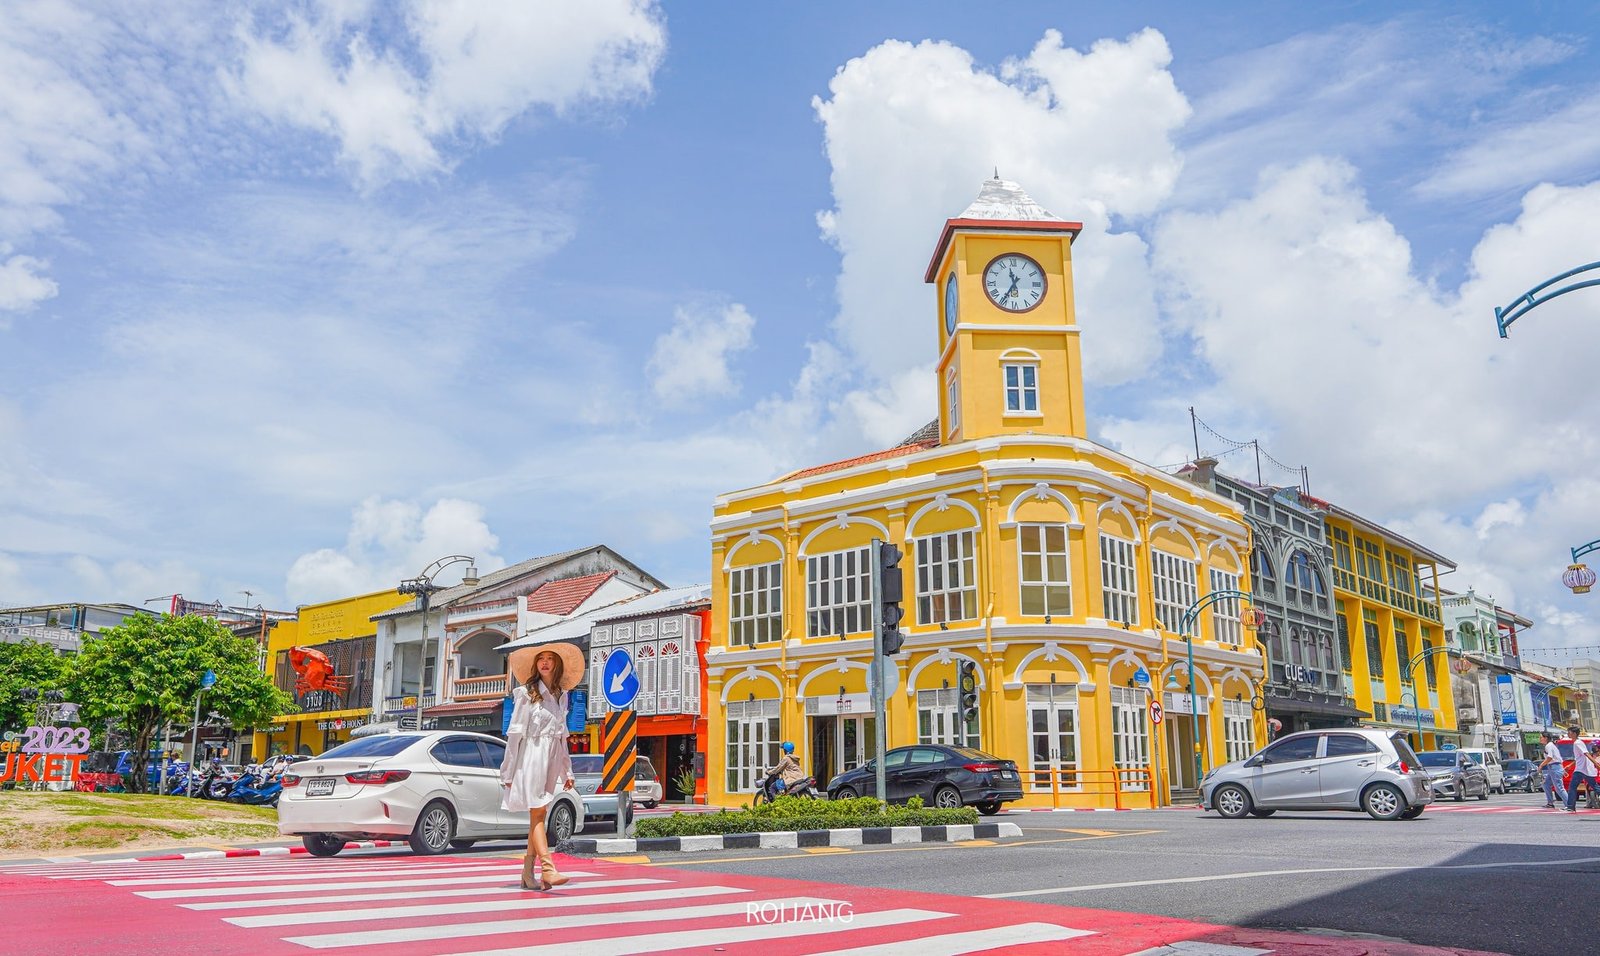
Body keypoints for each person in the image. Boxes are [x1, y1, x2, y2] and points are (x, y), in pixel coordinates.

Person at [501, 642, 585, 889]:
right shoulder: (527, 694)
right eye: (541, 659)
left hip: (551, 758)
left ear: (557, 664)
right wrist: (508, 771)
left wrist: (567, 771)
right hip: (531, 757)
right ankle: (548, 868)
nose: (545, 662)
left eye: (550, 658)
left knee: (538, 815)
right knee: (538, 812)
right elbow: (514, 735)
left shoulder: (562, 695)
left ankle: (527, 874)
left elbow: (562, 737)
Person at [1563, 725, 1597, 813]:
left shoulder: (1577, 743)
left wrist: (1596, 764)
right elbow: (1579, 757)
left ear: (1574, 734)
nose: (1568, 734)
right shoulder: (1578, 743)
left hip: (1581, 769)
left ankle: (1570, 807)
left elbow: (1586, 754)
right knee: (1595, 787)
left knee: (1572, 787)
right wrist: (1570, 765)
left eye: (1569, 732)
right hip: (1584, 769)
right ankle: (1570, 807)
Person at [1538, 731, 1567, 809]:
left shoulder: (1549, 746)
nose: (1540, 739)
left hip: (1555, 767)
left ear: (1546, 738)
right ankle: (1550, 803)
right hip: (1552, 767)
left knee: (1559, 788)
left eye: (1541, 737)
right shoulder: (1549, 746)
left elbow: (1550, 757)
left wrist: (1541, 765)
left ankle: (1569, 805)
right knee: (1546, 784)